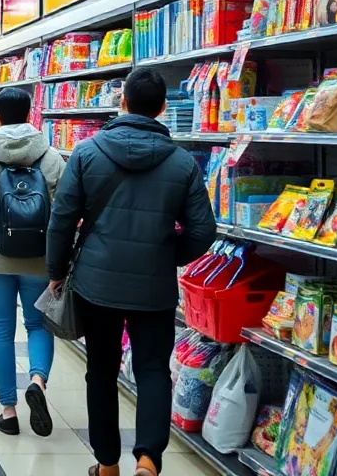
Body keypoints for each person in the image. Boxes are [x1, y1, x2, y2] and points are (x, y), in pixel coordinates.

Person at [47, 68, 216, 476]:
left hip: (95, 283)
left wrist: (55, 270)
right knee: (154, 369)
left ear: (121, 102)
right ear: (162, 108)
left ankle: (107, 463)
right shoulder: (182, 162)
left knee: (101, 370)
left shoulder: (88, 152)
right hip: (154, 287)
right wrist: (167, 254)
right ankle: (148, 460)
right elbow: (203, 230)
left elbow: (62, 218)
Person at [0, 86, 65, 438]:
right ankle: (37, 380)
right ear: (32, 113)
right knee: (38, 325)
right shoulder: (50, 157)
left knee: (2, 330)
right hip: (41, 256)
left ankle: (8, 411)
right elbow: (65, 209)